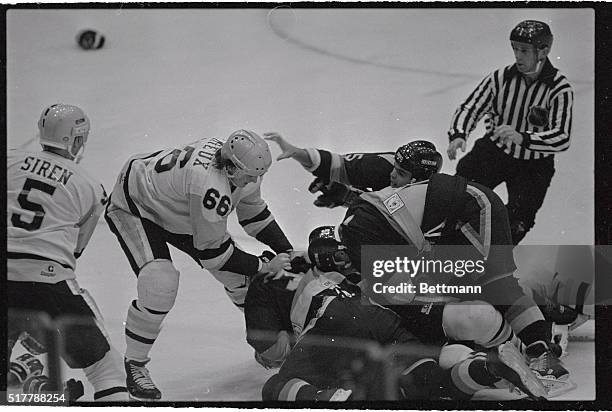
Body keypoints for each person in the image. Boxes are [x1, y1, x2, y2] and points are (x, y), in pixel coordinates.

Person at [264, 132, 570, 389]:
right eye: (394, 169)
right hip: (454, 221)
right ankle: (532, 327)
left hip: (474, 213)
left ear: (419, 179)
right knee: (461, 287)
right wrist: (297, 153)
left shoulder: (387, 218)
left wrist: (344, 205)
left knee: (495, 285)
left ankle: (542, 353)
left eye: (401, 174)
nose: (392, 177)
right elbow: (338, 164)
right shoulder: (389, 171)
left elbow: (393, 242)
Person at [246, 227, 547, 401]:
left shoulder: (273, 281)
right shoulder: (359, 267)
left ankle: (341, 402)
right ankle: (489, 369)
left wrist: (272, 352)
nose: (341, 262)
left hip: (342, 321)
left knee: (275, 388)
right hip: (390, 323)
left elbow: (272, 347)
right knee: (425, 383)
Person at [104, 129, 293, 400]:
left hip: (175, 206)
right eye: (250, 175)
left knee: (240, 280)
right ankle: (134, 364)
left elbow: (253, 214)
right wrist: (264, 265)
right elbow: (213, 255)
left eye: (259, 174)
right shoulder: (210, 187)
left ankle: (271, 345)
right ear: (230, 168)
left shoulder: (240, 167)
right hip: (135, 206)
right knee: (160, 284)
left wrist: (287, 250)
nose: (255, 180)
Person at [7, 103, 128, 401]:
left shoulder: (9, 160)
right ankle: (48, 396)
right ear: (75, 139)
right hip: (48, 282)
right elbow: (75, 250)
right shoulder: (90, 187)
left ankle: (38, 394)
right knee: (106, 371)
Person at [446, 20, 574, 245]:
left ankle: (488, 266)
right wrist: (459, 133)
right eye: (515, 48)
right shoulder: (501, 77)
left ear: (543, 51)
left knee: (517, 222)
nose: (517, 55)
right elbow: (472, 106)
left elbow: (562, 137)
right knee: (458, 198)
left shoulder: (559, 88)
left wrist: (524, 138)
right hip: (494, 151)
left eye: (524, 50)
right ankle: (443, 251)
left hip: (533, 165)